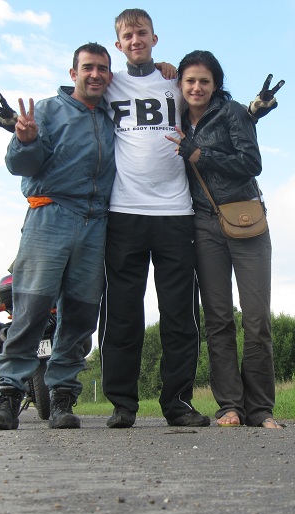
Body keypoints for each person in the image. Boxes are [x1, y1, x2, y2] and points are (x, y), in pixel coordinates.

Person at [0, 42, 116, 430]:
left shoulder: (111, 115)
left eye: (102, 69)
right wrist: (24, 139)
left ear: (109, 75)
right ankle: (7, 396)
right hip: (49, 215)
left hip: (96, 223)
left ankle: (61, 397)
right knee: (31, 310)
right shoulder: (47, 110)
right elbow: (20, 165)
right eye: (88, 67)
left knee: (79, 315)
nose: (95, 74)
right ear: (73, 73)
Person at [98, 8, 209, 428]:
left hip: (175, 213)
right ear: (119, 44)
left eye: (141, 32)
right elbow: (75, 97)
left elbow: (210, 102)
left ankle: (177, 402)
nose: (135, 40)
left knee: (179, 313)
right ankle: (123, 404)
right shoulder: (109, 84)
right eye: (127, 35)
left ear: (154, 38)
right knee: (123, 313)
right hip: (124, 212)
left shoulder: (175, 82)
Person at [166, 50, 282, 428]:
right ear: (180, 85)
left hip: (245, 220)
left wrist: (202, 154)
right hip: (202, 224)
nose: (197, 87)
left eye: (204, 81)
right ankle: (230, 405)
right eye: (190, 81)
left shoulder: (232, 114)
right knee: (217, 320)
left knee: (256, 319)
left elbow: (252, 163)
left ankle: (261, 409)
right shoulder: (176, 118)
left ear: (216, 85)